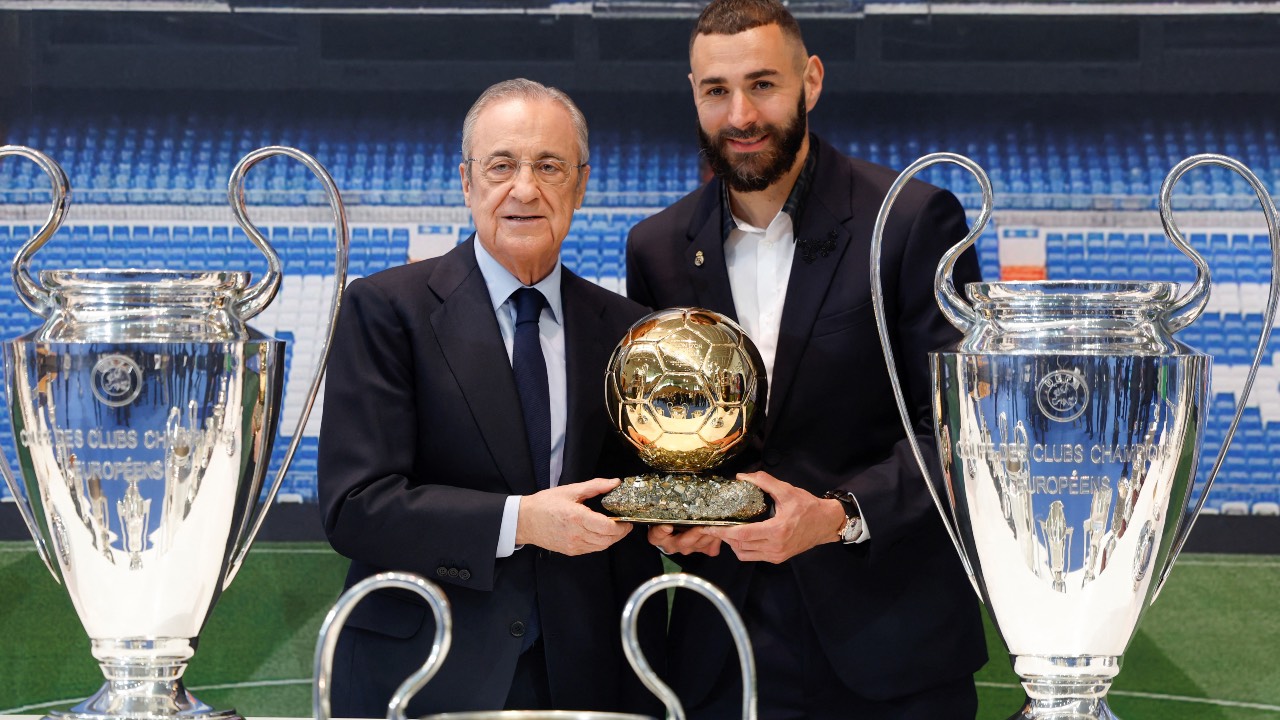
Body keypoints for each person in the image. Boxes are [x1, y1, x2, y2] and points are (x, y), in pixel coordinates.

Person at [624, 1, 988, 717]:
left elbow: (964, 431)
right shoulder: (657, 247)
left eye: (763, 84)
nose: (740, 115)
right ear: (693, 93)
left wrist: (836, 514)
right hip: (720, 648)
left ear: (810, 81)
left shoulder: (912, 220)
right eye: (716, 91)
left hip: (890, 643)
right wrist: (665, 512)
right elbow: (667, 435)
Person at [318, 78, 664, 717]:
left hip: (591, 679)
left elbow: (637, 493)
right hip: (424, 676)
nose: (525, 189)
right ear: (467, 181)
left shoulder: (630, 329)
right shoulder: (387, 309)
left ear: (581, 185)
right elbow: (355, 506)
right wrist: (523, 521)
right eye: (501, 166)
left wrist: (677, 519)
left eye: (549, 166)